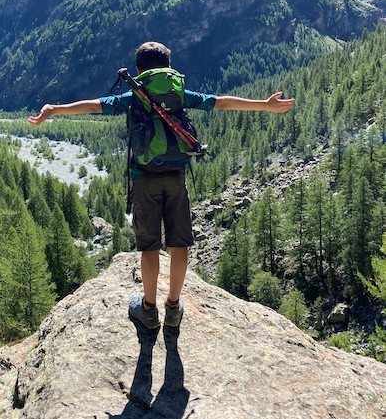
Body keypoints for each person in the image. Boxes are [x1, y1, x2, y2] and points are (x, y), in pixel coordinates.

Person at [28, 41, 294, 330]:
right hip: (176, 177)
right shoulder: (179, 93)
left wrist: (53, 110)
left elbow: (94, 105)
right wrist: (265, 106)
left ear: (139, 69)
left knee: (150, 246)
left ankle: (148, 309)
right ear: (168, 67)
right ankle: (174, 306)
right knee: (179, 243)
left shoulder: (133, 96)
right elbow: (221, 102)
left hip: (145, 179)